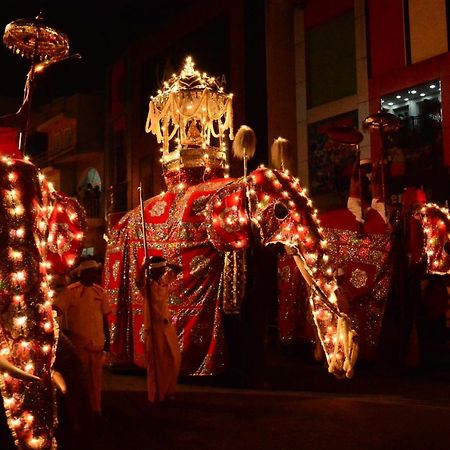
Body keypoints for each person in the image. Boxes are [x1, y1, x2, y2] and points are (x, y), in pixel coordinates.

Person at [53, 260, 111, 422]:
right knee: (79, 379)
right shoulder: (70, 291)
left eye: (95, 272)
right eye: (90, 272)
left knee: (96, 380)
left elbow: (105, 318)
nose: (94, 275)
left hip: (97, 342)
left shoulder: (100, 292)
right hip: (78, 344)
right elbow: (56, 309)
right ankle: (78, 412)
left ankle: (96, 410)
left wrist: (108, 340)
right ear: (81, 273)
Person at [136, 256, 181, 403]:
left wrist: (166, 263)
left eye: (164, 269)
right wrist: (144, 267)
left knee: (172, 359)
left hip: (166, 326)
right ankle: (156, 395)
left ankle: (168, 391)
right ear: (155, 270)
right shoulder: (147, 285)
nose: (164, 271)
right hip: (154, 328)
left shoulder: (163, 281)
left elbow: (178, 269)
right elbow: (138, 282)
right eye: (161, 269)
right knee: (156, 363)